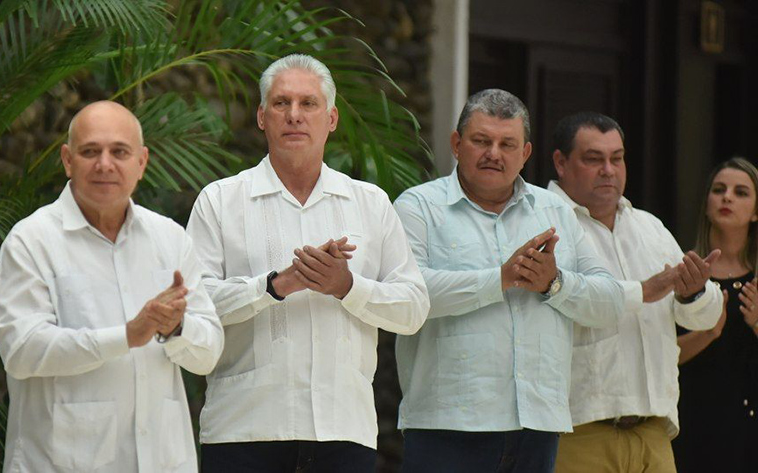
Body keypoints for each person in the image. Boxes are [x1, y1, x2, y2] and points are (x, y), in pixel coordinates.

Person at [186, 54, 430, 473]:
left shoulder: (370, 203)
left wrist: (348, 287)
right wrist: (273, 286)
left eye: (308, 104)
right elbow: (193, 305)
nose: (294, 116)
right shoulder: (220, 200)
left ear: (332, 118)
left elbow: (414, 309)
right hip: (244, 431)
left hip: (344, 432)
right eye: (281, 104)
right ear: (262, 117)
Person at [393, 89, 625, 473]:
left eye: (507, 144)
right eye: (481, 141)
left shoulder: (556, 212)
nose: (493, 154)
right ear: (456, 144)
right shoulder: (418, 207)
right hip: (446, 426)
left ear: (526, 153)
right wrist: (499, 279)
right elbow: (408, 296)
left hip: (537, 426)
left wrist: (555, 285)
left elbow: (612, 301)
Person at [0, 101, 224, 472]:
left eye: (119, 152)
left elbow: (209, 352)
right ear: (67, 160)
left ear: (142, 162)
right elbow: (21, 350)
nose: (104, 164)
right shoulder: (31, 241)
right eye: (90, 152)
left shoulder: (170, 238)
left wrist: (175, 327)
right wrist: (126, 336)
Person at [546, 112, 723, 473]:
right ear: (561, 163)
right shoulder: (541, 222)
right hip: (579, 432)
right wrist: (641, 291)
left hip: (653, 433)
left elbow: (704, 318)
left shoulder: (649, 226)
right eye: (594, 159)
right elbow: (562, 299)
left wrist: (694, 293)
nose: (608, 170)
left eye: (617, 157)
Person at [672, 157, 758, 472]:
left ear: (756, 211)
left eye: (741, 192)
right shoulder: (683, 273)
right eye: (719, 190)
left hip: (747, 431)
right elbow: (661, 354)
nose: (727, 198)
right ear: (706, 204)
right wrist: (708, 333)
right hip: (690, 422)